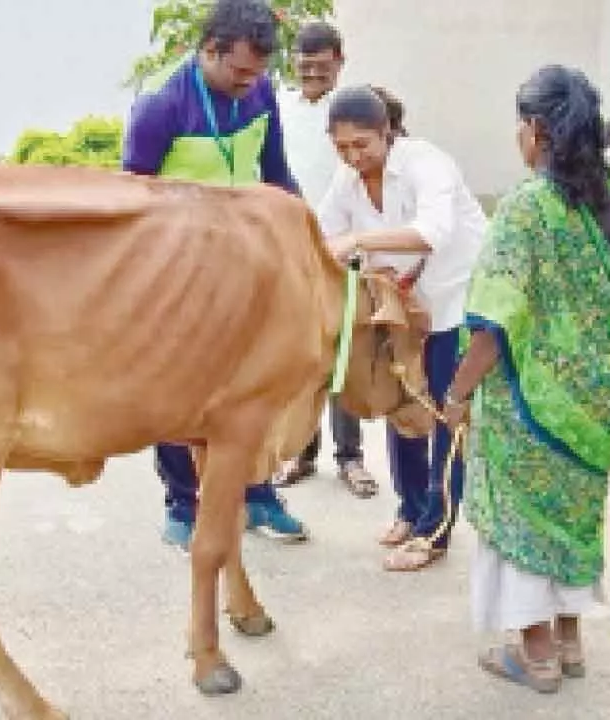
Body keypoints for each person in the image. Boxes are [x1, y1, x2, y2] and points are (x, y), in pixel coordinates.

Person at [438, 65, 610, 694]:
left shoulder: (526, 209)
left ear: (535, 130)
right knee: (573, 516)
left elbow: (495, 324)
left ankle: (538, 657)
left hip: (527, 400)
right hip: (590, 400)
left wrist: (458, 391)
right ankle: (571, 643)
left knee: (521, 520)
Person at [121, 0, 308, 550]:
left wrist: (304, 235)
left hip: (247, 268)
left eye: (257, 74)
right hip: (177, 273)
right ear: (209, 50)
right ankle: (183, 502)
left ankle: (258, 493)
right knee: (180, 393)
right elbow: (131, 193)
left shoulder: (259, 93)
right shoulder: (160, 103)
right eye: (239, 72)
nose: (249, 85)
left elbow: (275, 171)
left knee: (254, 387)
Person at [317, 85, 487, 571]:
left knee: (444, 411)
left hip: (454, 304)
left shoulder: (427, 164)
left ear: (387, 132)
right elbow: (324, 234)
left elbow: (432, 234)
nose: (352, 158)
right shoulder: (346, 179)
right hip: (401, 307)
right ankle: (411, 511)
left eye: (362, 145)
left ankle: (435, 530)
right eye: (341, 147)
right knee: (401, 404)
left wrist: (358, 240)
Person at [273, 21, 380, 499]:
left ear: (339, 62)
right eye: (305, 63)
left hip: (343, 248)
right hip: (292, 249)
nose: (312, 72)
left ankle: (351, 457)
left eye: (322, 64)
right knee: (299, 354)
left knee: (345, 351)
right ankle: (300, 450)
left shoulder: (354, 111)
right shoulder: (279, 107)